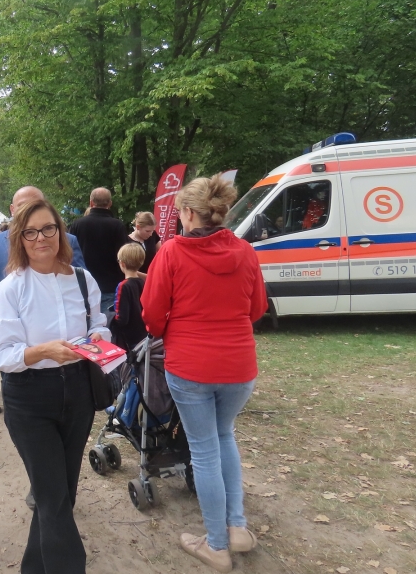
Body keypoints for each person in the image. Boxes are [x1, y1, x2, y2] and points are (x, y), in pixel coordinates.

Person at [141, 174, 267, 573]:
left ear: (189, 213)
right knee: (224, 436)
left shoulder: (172, 252)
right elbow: (256, 309)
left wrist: (173, 326)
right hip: (239, 365)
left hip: (191, 365)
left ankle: (216, 544)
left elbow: (152, 315)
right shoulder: (245, 251)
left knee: (205, 450)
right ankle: (237, 527)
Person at [0, 198, 109, 574]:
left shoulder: (83, 280)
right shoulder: (12, 287)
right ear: (19, 239)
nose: (41, 238)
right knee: (53, 496)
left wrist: (97, 339)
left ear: (60, 231)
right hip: (29, 397)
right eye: (30, 232)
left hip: (78, 391)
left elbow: (98, 323)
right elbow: (1, 354)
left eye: (48, 228)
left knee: (61, 492)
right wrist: (42, 351)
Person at [0, 186, 85, 420]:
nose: (39, 237)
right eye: (23, 206)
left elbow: (80, 288)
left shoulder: (67, 241)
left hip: (67, 363)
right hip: (16, 353)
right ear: (12, 210)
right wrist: (9, 304)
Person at [68, 187, 130, 314]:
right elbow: (124, 256)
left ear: (91, 203)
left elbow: (69, 254)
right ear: (110, 203)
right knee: (108, 323)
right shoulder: (117, 226)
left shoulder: (77, 225)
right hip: (110, 285)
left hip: (83, 285)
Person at [112, 243, 147, 351]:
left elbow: (122, 318)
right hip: (144, 333)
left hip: (129, 337)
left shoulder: (123, 286)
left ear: (122, 264)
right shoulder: (144, 283)